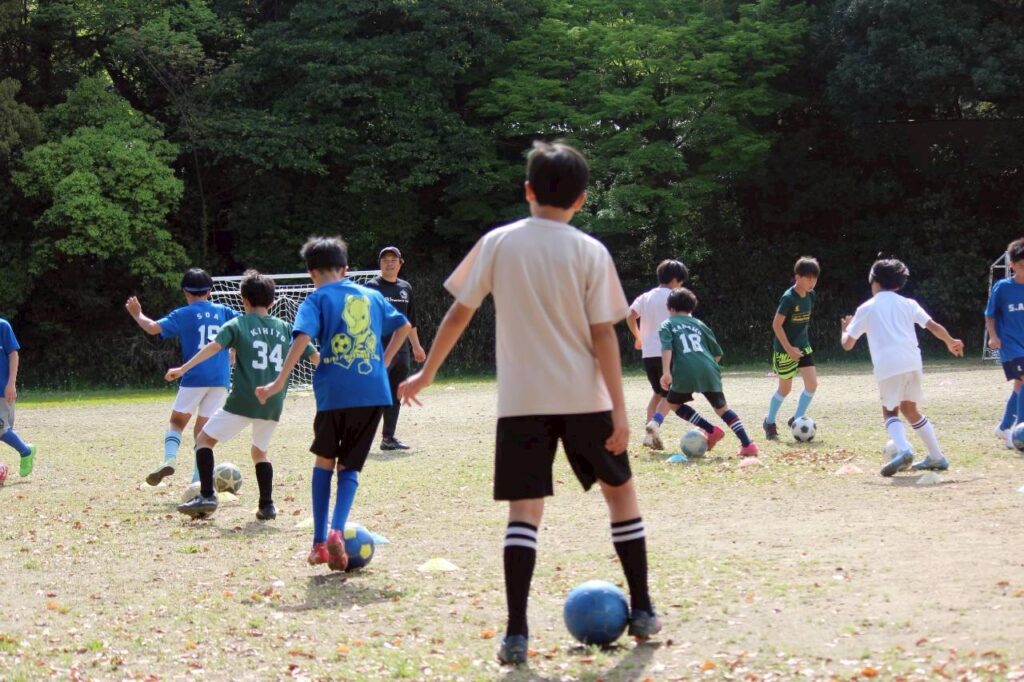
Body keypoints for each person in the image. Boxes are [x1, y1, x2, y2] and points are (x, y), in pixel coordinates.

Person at [398, 141, 660, 666]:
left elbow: (459, 312)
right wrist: (620, 408)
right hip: (585, 398)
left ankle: (516, 633)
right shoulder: (590, 250)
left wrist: (427, 372)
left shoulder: (498, 242)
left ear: (527, 190)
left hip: (521, 403)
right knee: (620, 495)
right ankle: (643, 609)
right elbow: (604, 335)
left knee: (524, 513)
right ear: (582, 199)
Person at [256, 237, 410, 571]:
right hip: (373, 393)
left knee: (325, 461)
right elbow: (404, 327)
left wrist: (279, 382)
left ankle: (318, 544)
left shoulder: (316, 299)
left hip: (334, 393)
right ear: (346, 269)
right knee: (350, 467)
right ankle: (337, 530)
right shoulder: (372, 296)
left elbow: (302, 338)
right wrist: (383, 362)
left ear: (311, 273)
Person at [165, 271, 319, 520]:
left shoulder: (238, 324)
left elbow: (213, 347)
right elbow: (314, 357)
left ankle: (207, 495)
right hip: (273, 402)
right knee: (260, 453)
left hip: (244, 400)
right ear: (272, 301)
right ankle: (267, 505)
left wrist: (183, 368)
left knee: (203, 441)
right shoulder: (286, 328)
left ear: (244, 300)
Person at [841, 257, 964, 476]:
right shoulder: (909, 303)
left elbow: (848, 345)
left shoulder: (866, 308)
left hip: (889, 365)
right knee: (910, 409)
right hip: (913, 362)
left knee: (890, 411)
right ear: (897, 285)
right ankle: (937, 457)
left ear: (873, 280)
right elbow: (933, 326)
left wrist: (844, 330)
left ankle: (904, 450)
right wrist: (950, 340)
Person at [126, 269, 236, 486]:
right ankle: (198, 480)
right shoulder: (225, 311)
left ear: (185, 292)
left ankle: (169, 459)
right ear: (210, 291)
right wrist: (233, 351)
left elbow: (152, 328)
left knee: (176, 422)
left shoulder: (183, 314)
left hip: (194, 376)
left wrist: (137, 314)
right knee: (203, 433)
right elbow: (241, 331)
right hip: (221, 380)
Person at [627, 259, 717, 451]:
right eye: (681, 281)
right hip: (670, 354)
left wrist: (638, 337)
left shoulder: (646, 297)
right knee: (673, 398)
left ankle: (649, 436)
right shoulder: (677, 298)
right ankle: (706, 429)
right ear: (676, 279)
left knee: (659, 394)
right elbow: (687, 325)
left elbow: (630, 315)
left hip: (649, 355)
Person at [658, 288, 758, 458]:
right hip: (710, 368)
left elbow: (667, 347)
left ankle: (710, 430)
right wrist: (705, 369)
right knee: (722, 409)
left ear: (671, 309)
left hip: (684, 371)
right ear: (691, 308)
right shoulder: (700, 324)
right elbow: (718, 353)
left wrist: (666, 372)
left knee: (674, 404)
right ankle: (748, 445)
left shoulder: (667, 324)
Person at [363, 246, 427, 450]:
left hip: (402, 351)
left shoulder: (406, 288)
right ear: (380, 264)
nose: (389, 263)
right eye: (385, 260)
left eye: (393, 260)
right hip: (378, 350)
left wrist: (416, 346)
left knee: (395, 393)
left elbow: (410, 321)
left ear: (400, 263)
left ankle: (388, 438)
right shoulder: (371, 287)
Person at [764, 257, 820, 440]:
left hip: (803, 347)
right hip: (785, 350)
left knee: (812, 384)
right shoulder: (789, 298)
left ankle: (797, 418)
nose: (812, 282)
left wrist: (799, 345)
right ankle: (769, 422)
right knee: (785, 389)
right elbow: (776, 325)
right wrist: (788, 348)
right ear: (797, 277)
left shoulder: (811, 295)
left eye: (814, 278)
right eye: (808, 278)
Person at [985, 238, 1024, 448]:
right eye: (1021, 265)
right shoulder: (1003, 287)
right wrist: (993, 336)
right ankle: (1019, 431)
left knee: (1020, 385)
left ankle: (1004, 426)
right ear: (1012, 266)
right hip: (1010, 344)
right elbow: (990, 315)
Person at [0, 317, 36, 476]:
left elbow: (13, 355)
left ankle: (26, 451)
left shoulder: (2, 326)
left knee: (1, 429)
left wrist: (11, 383)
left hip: (2, 390)